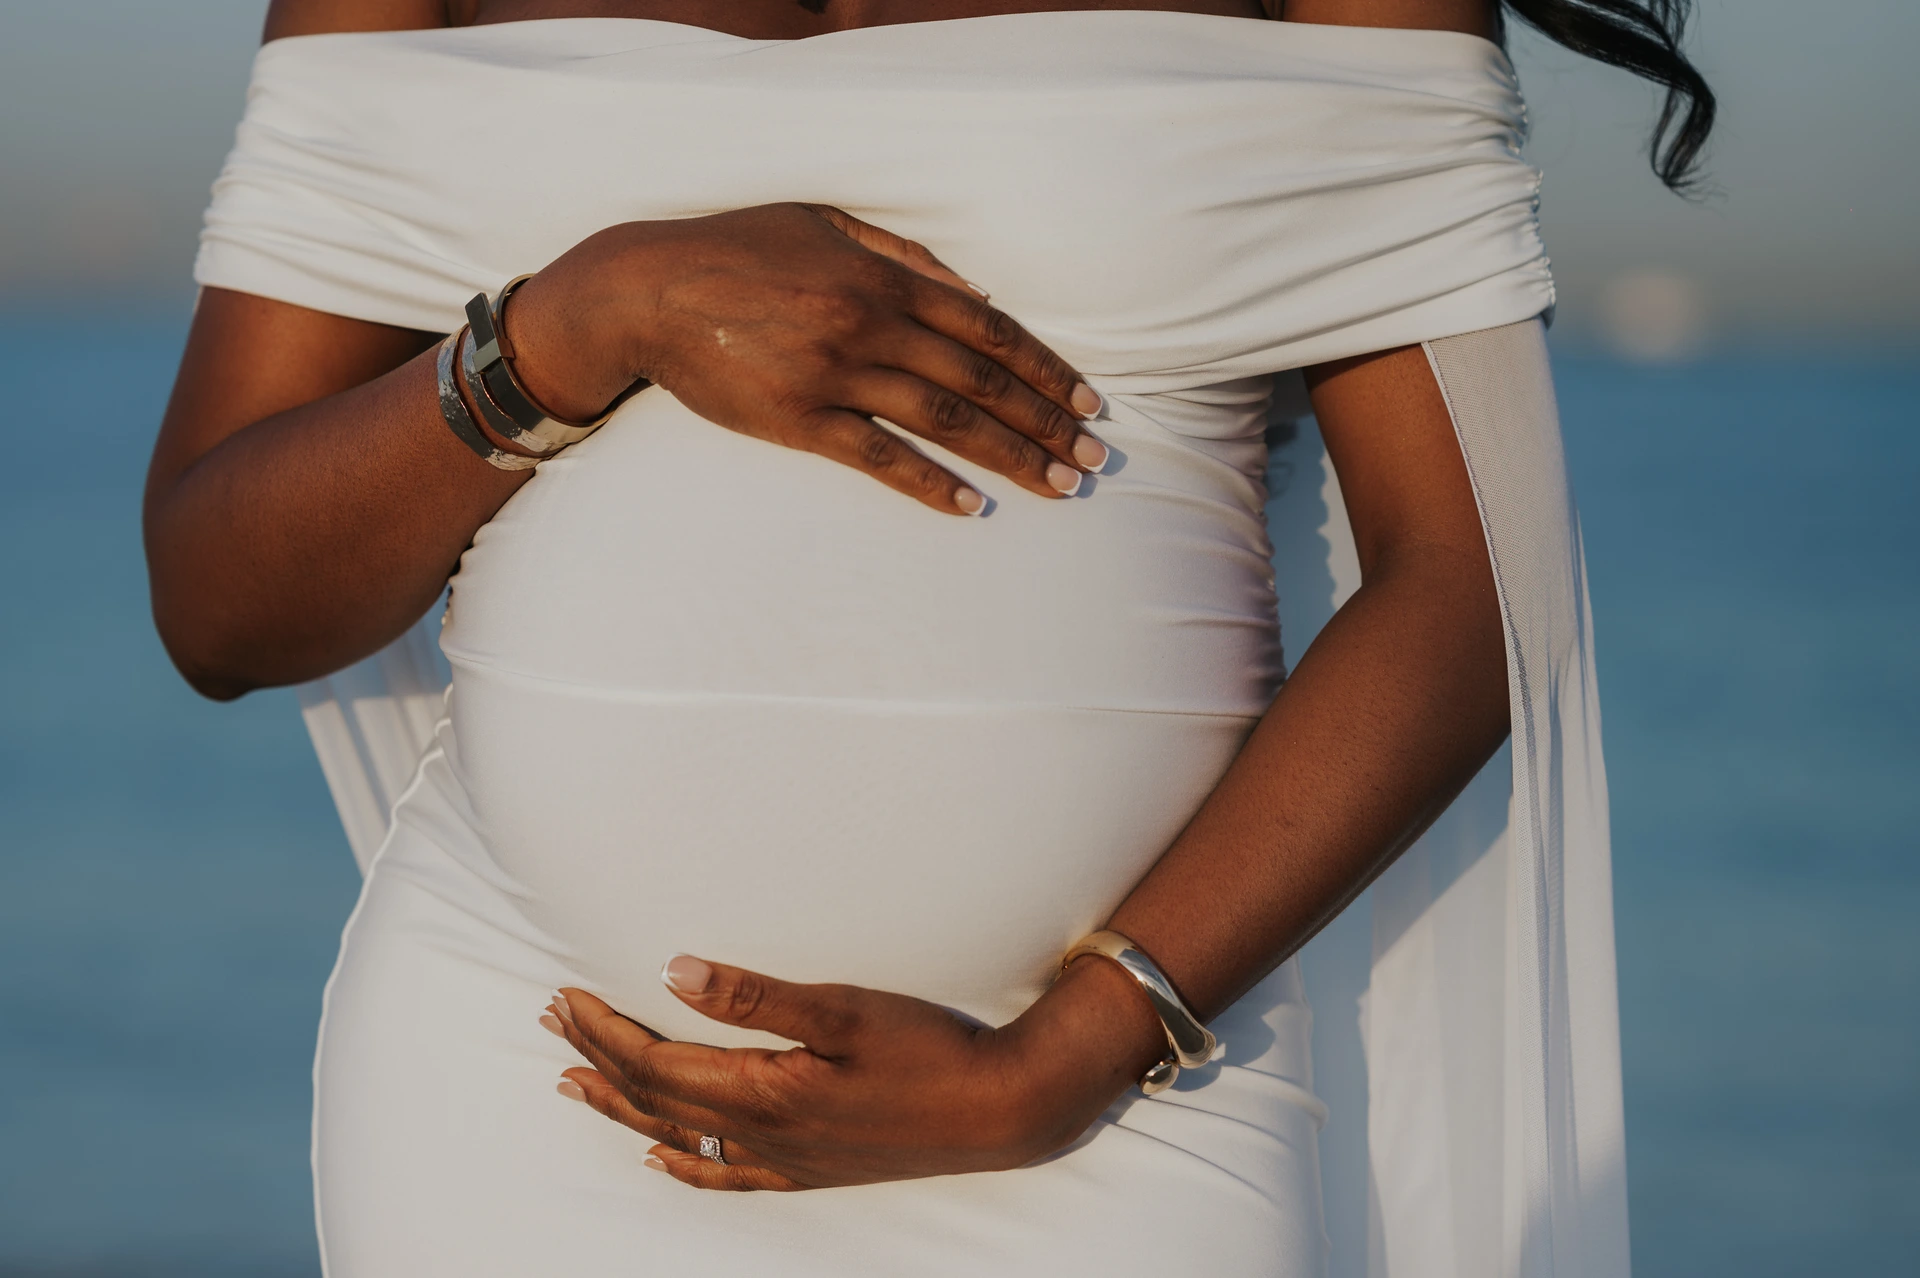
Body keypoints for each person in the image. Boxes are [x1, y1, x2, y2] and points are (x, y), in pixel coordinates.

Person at [145, 0, 1713, 1273]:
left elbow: (1471, 570)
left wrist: (1065, 1062)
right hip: (538, 1084)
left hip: (1115, 1119)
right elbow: (219, 603)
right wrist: (580, 322)